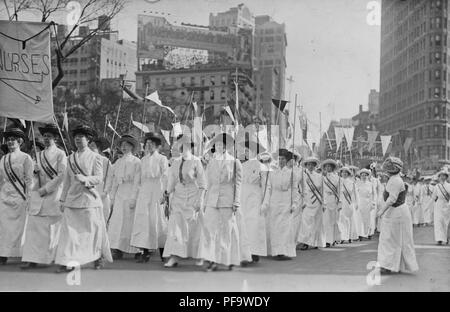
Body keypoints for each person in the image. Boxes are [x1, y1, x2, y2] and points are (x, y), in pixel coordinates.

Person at [55, 125, 112, 272]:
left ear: (88, 139)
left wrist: (85, 179)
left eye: (81, 137)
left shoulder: (96, 157)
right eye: (76, 137)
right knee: (70, 233)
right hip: (72, 199)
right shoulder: (70, 158)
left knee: (92, 231)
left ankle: (97, 256)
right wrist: (62, 199)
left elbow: (99, 178)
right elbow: (66, 181)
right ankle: (69, 260)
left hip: (89, 199)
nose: (78, 139)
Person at [21, 124, 67, 269]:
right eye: (45, 136)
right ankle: (33, 258)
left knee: (51, 229)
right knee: (34, 228)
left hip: (52, 194)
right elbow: (34, 178)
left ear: (55, 138)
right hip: (38, 194)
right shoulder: (39, 155)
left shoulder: (60, 154)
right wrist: (35, 173)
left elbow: (62, 175)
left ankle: (50, 257)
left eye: (49, 136)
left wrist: (46, 189)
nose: (46, 139)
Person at [199, 133, 243, 271]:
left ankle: (227, 259)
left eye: (221, 145)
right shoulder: (211, 162)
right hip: (212, 200)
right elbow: (208, 183)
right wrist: (204, 202)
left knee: (226, 231)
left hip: (227, 200)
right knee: (210, 230)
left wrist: (236, 201)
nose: (218, 147)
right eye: (216, 145)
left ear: (225, 147)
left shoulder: (235, 162)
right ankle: (211, 260)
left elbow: (238, 183)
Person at [163, 135, 206, 267]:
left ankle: (200, 255)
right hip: (178, 197)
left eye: (186, 145)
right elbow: (172, 180)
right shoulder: (175, 162)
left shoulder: (196, 161)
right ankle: (174, 256)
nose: (183, 148)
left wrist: (200, 200)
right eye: (181, 145)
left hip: (193, 196)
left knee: (195, 228)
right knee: (175, 227)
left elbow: (202, 183)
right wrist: (166, 193)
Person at [377, 157, 418, 274]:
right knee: (394, 239)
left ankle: (387, 265)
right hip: (396, 212)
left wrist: (382, 211)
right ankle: (391, 264)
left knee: (389, 239)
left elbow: (392, 199)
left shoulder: (395, 180)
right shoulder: (394, 179)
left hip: (396, 212)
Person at [131, 132, 168, 262]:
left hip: (157, 189)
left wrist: (164, 193)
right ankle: (144, 251)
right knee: (144, 220)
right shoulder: (143, 160)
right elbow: (139, 179)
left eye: (152, 144)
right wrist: (135, 196)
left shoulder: (162, 159)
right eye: (147, 144)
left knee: (158, 219)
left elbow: (165, 176)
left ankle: (163, 251)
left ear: (157, 145)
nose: (149, 146)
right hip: (145, 191)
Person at [0, 128, 33, 265]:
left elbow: (29, 180)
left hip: (20, 196)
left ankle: (21, 253)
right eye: (8, 140)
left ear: (20, 141)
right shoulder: (3, 158)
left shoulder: (26, 158)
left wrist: (28, 197)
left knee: (19, 227)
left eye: (13, 139)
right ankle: (3, 254)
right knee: (4, 226)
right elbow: (1, 178)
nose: (10, 142)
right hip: (5, 195)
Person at [108, 135, 141, 260]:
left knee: (129, 221)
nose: (124, 147)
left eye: (127, 145)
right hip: (120, 193)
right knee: (117, 221)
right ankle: (117, 248)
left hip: (131, 192)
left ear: (132, 147)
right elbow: (115, 181)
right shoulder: (118, 161)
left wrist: (134, 197)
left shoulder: (136, 162)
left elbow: (137, 182)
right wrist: (111, 197)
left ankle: (135, 248)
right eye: (122, 145)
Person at [238, 140, 270, 264]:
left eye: (248, 150)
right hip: (243, 197)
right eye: (245, 150)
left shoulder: (262, 167)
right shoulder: (242, 166)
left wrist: (265, 203)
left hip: (255, 199)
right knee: (244, 226)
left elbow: (267, 186)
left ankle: (253, 252)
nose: (246, 152)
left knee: (254, 226)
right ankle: (245, 253)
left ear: (254, 152)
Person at [265, 149, 299, 260]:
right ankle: (275, 251)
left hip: (286, 201)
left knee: (285, 227)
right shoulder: (273, 172)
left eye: (283, 159)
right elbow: (269, 188)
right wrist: (267, 202)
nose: (280, 161)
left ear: (287, 160)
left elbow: (295, 189)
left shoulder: (291, 173)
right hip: (274, 200)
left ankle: (283, 251)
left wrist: (294, 203)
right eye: (279, 159)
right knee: (275, 226)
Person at [297, 157, 325, 250]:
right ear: (306, 165)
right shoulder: (303, 175)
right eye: (308, 164)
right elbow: (298, 185)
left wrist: (323, 202)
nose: (310, 166)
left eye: (312, 164)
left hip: (317, 201)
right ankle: (305, 242)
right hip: (306, 201)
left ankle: (315, 241)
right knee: (306, 222)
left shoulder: (319, 176)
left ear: (315, 166)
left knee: (316, 222)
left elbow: (322, 190)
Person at [89, 137, 113, 224]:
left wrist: (105, 191)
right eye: (90, 145)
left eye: (93, 146)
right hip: (90, 191)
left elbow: (110, 178)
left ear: (98, 149)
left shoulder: (106, 161)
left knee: (102, 219)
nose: (90, 147)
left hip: (102, 191)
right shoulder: (87, 160)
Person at [321, 159, 341, 247]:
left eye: (329, 166)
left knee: (332, 220)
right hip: (324, 199)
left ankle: (331, 239)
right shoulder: (322, 177)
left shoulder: (337, 178)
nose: (328, 168)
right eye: (326, 166)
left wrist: (339, 202)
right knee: (325, 220)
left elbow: (339, 191)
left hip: (333, 199)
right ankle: (325, 239)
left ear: (332, 168)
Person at [355, 169, 376, 240]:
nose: (364, 177)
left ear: (367, 176)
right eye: (362, 175)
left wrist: (373, 202)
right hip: (360, 201)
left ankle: (369, 233)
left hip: (368, 202)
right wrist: (356, 203)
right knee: (360, 218)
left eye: (365, 175)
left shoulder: (370, 184)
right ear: (360, 176)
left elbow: (374, 194)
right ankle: (360, 234)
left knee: (368, 218)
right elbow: (355, 194)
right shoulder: (357, 183)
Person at [337, 167, 357, 244]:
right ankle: (342, 237)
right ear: (341, 173)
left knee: (349, 220)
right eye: (343, 172)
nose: (344, 174)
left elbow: (354, 194)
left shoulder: (351, 183)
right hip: (341, 202)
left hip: (349, 203)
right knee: (341, 219)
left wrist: (354, 203)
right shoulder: (339, 182)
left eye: (346, 172)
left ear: (348, 174)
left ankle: (349, 236)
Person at [432, 169, 450, 245]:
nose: (442, 177)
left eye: (444, 176)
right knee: (438, 222)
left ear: (446, 177)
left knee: (445, 223)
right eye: (441, 176)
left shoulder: (449, 186)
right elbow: (433, 197)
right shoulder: (437, 186)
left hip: (447, 205)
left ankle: (446, 238)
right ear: (439, 177)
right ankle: (439, 238)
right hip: (438, 206)